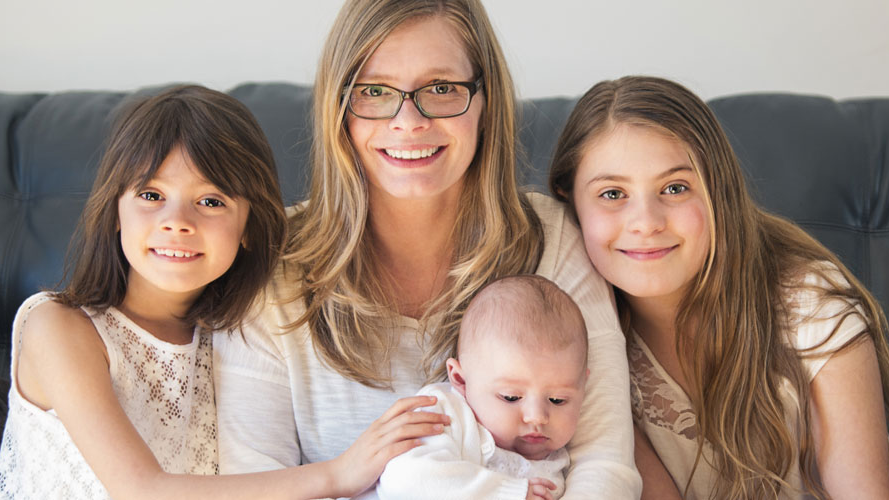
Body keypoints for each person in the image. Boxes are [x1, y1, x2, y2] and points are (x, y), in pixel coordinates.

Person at [213, 1, 641, 498]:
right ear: (339, 107)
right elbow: (250, 482)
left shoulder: (555, 240)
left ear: (486, 100)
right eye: (374, 91)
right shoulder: (271, 265)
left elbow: (604, 467)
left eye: (441, 88)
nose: (408, 121)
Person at [0, 85, 443, 500]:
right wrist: (338, 473)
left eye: (211, 201)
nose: (177, 221)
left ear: (249, 228)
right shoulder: (57, 327)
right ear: (115, 210)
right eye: (151, 194)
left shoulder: (233, 343)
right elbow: (143, 491)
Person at [549, 75, 889, 499]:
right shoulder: (580, 340)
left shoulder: (809, 302)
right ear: (569, 203)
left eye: (675, 188)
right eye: (613, 193)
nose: (646, 221)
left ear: (718, 191)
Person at [365, 275, 590, 500]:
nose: (537, 417)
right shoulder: (445, 415)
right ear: (461, 381)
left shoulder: (562, 462)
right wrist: (507, 493)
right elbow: (405, 479)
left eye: (558, 400)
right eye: (511, 397)